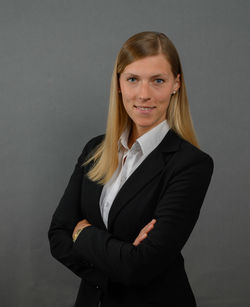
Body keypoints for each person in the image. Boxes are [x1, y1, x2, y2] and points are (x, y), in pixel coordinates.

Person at [48, 31, 214, 307]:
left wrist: (82, 233)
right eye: (133, 79)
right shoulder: (94, 150)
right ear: (119, 84)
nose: (144, 94)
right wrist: (118, 261)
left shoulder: (191, 164)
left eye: (158, 81)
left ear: (176, 84)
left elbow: (141, 265)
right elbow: (57, 235)